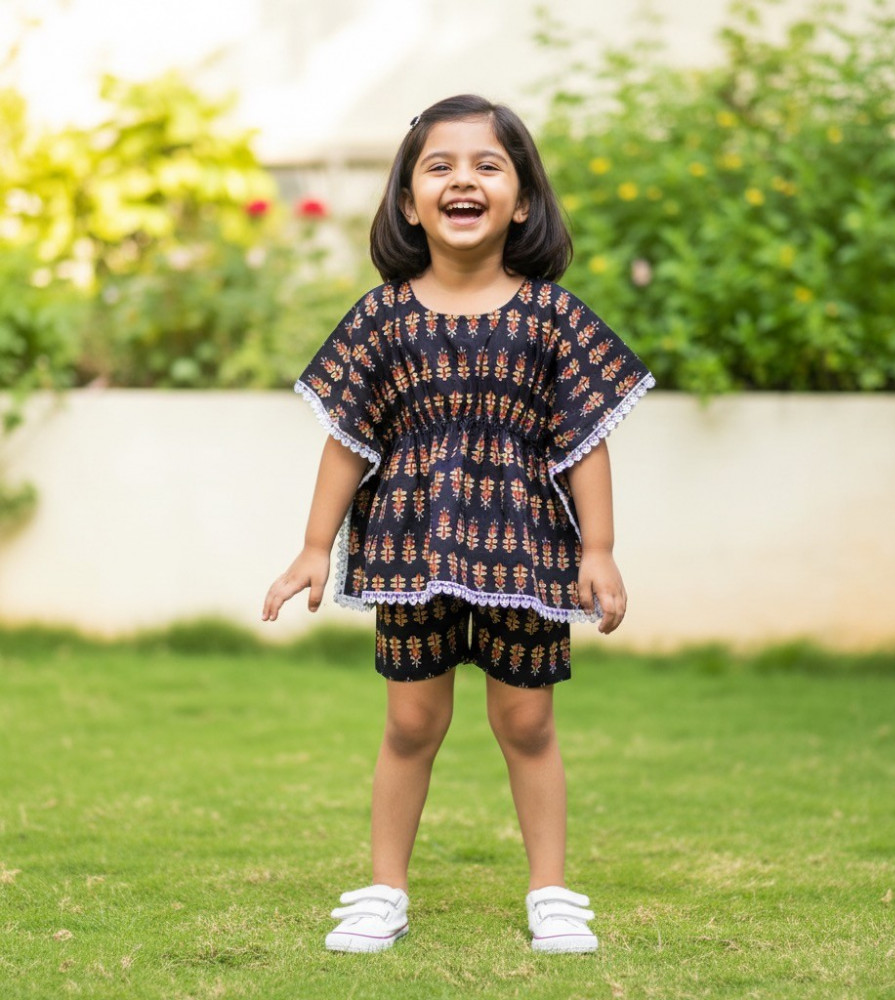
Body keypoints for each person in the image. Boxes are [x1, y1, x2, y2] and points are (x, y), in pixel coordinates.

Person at [262, 94, 654, 954]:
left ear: (521, 198)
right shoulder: (381, 317)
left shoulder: (554, 317)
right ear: (408, 199)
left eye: (487, 165)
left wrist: (600, 551)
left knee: (528, 723)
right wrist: (312, 549)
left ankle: (551, 892)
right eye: (439, 166)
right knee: (410, 725)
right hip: (411, 547)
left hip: (523, 548)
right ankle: (382, 891)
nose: (463, 179)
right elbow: (346, 441)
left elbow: (586, 441)